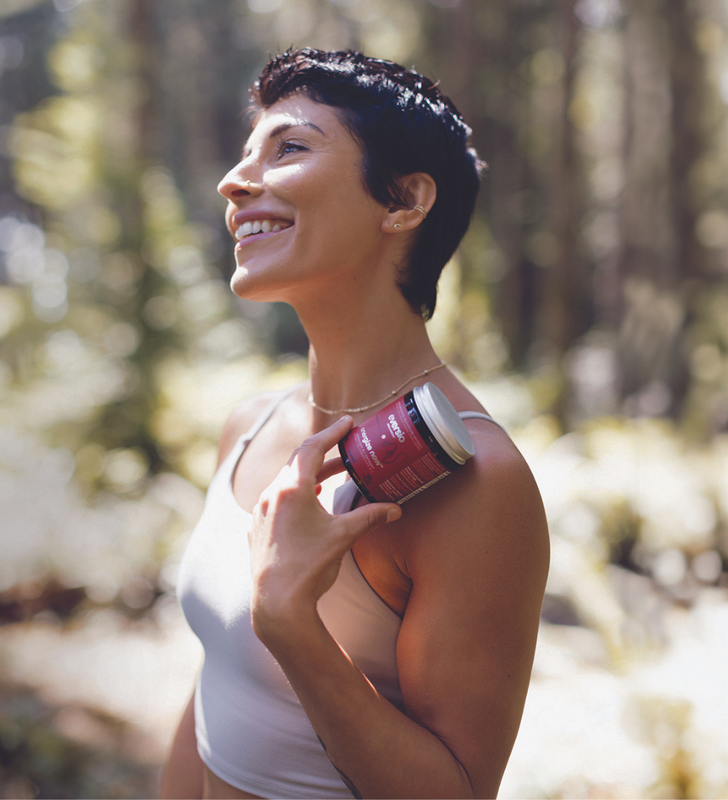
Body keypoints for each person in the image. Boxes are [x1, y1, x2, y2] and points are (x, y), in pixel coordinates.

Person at [160, 48, 549, 800]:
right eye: (247, 153)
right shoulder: (250, 425)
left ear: (403, 201)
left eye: (290, 148)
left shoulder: (476, 481)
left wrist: (291, 622)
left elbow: (453, 791)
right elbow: (218, 691)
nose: (234, 182)